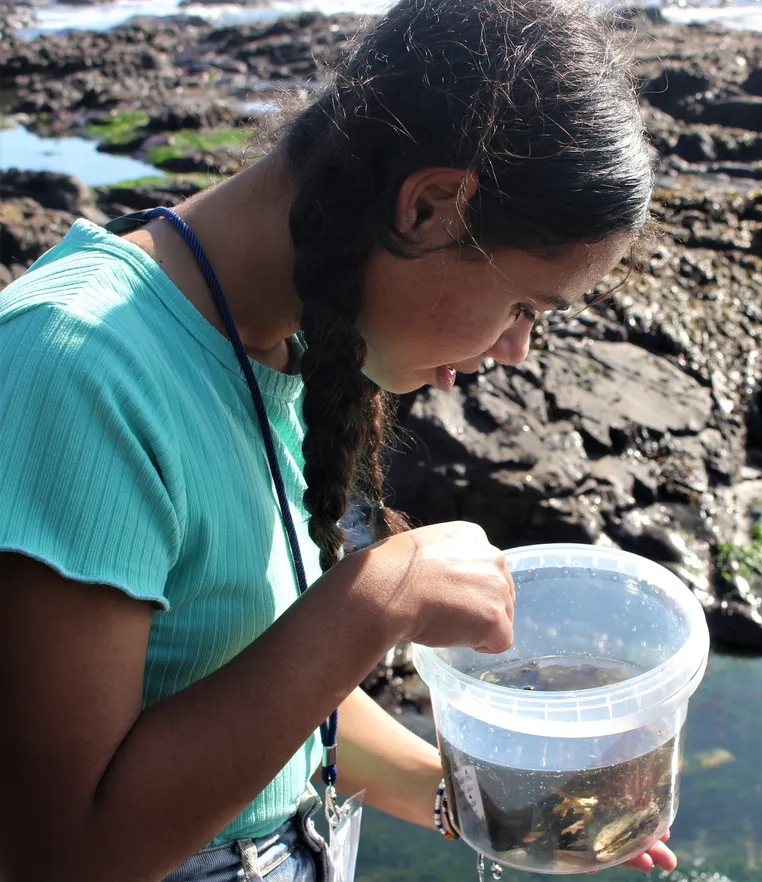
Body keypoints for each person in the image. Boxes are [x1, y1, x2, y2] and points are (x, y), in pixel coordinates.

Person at [0, 0, 676, 878]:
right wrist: (377, 599)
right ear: (431, 206)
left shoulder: (281, 345)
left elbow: (246, 684)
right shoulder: (74, 366)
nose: (517, 350)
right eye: (523, 305)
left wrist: (489, 808)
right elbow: (59, 854)